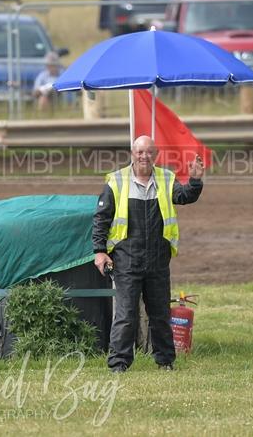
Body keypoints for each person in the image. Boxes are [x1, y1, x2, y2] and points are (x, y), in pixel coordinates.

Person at [92, 135, 204, 373]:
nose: (144, 156)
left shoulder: (165, 178)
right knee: (126, 314)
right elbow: (101, 219)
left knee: (160, 313)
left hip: (157, 259)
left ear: (156, 155)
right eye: (139, 152)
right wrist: (100, 251)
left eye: (148, 152)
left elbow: (184, 197)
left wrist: (194, 181)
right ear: (132, 153)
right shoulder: (117, 181)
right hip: (126, 258)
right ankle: (118, 364)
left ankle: (165, 361)